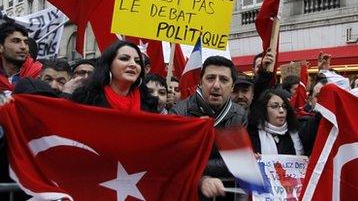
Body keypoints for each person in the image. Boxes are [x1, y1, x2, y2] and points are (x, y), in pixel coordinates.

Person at [170, 56, 247, 199]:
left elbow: (238, 163)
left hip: (227, 193)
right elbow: (172, 162)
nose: (216, 85)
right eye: (210, 78)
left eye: (224, 80)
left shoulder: (239, 115)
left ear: (232, 87)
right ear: (200, 82)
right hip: (188, 193)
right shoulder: (179, 114)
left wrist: (196, 165)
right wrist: (201, 179)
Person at [71, 41, 157, 112]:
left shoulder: (149, 103)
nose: (133, 64)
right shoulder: (86, 97)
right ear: (109, 64)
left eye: (137, 61)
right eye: (124, 59)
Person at [248, 89, 305, 156]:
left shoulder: (296, 134)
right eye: (274, 106)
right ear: (264, 110)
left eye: (284, 106)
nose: (281, 110)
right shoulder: (252, 134)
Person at [0, 22, 42, 95]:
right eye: (16, 41)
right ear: (1, 47)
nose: (23, 47)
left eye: (26, 42)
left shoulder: (41, 74)